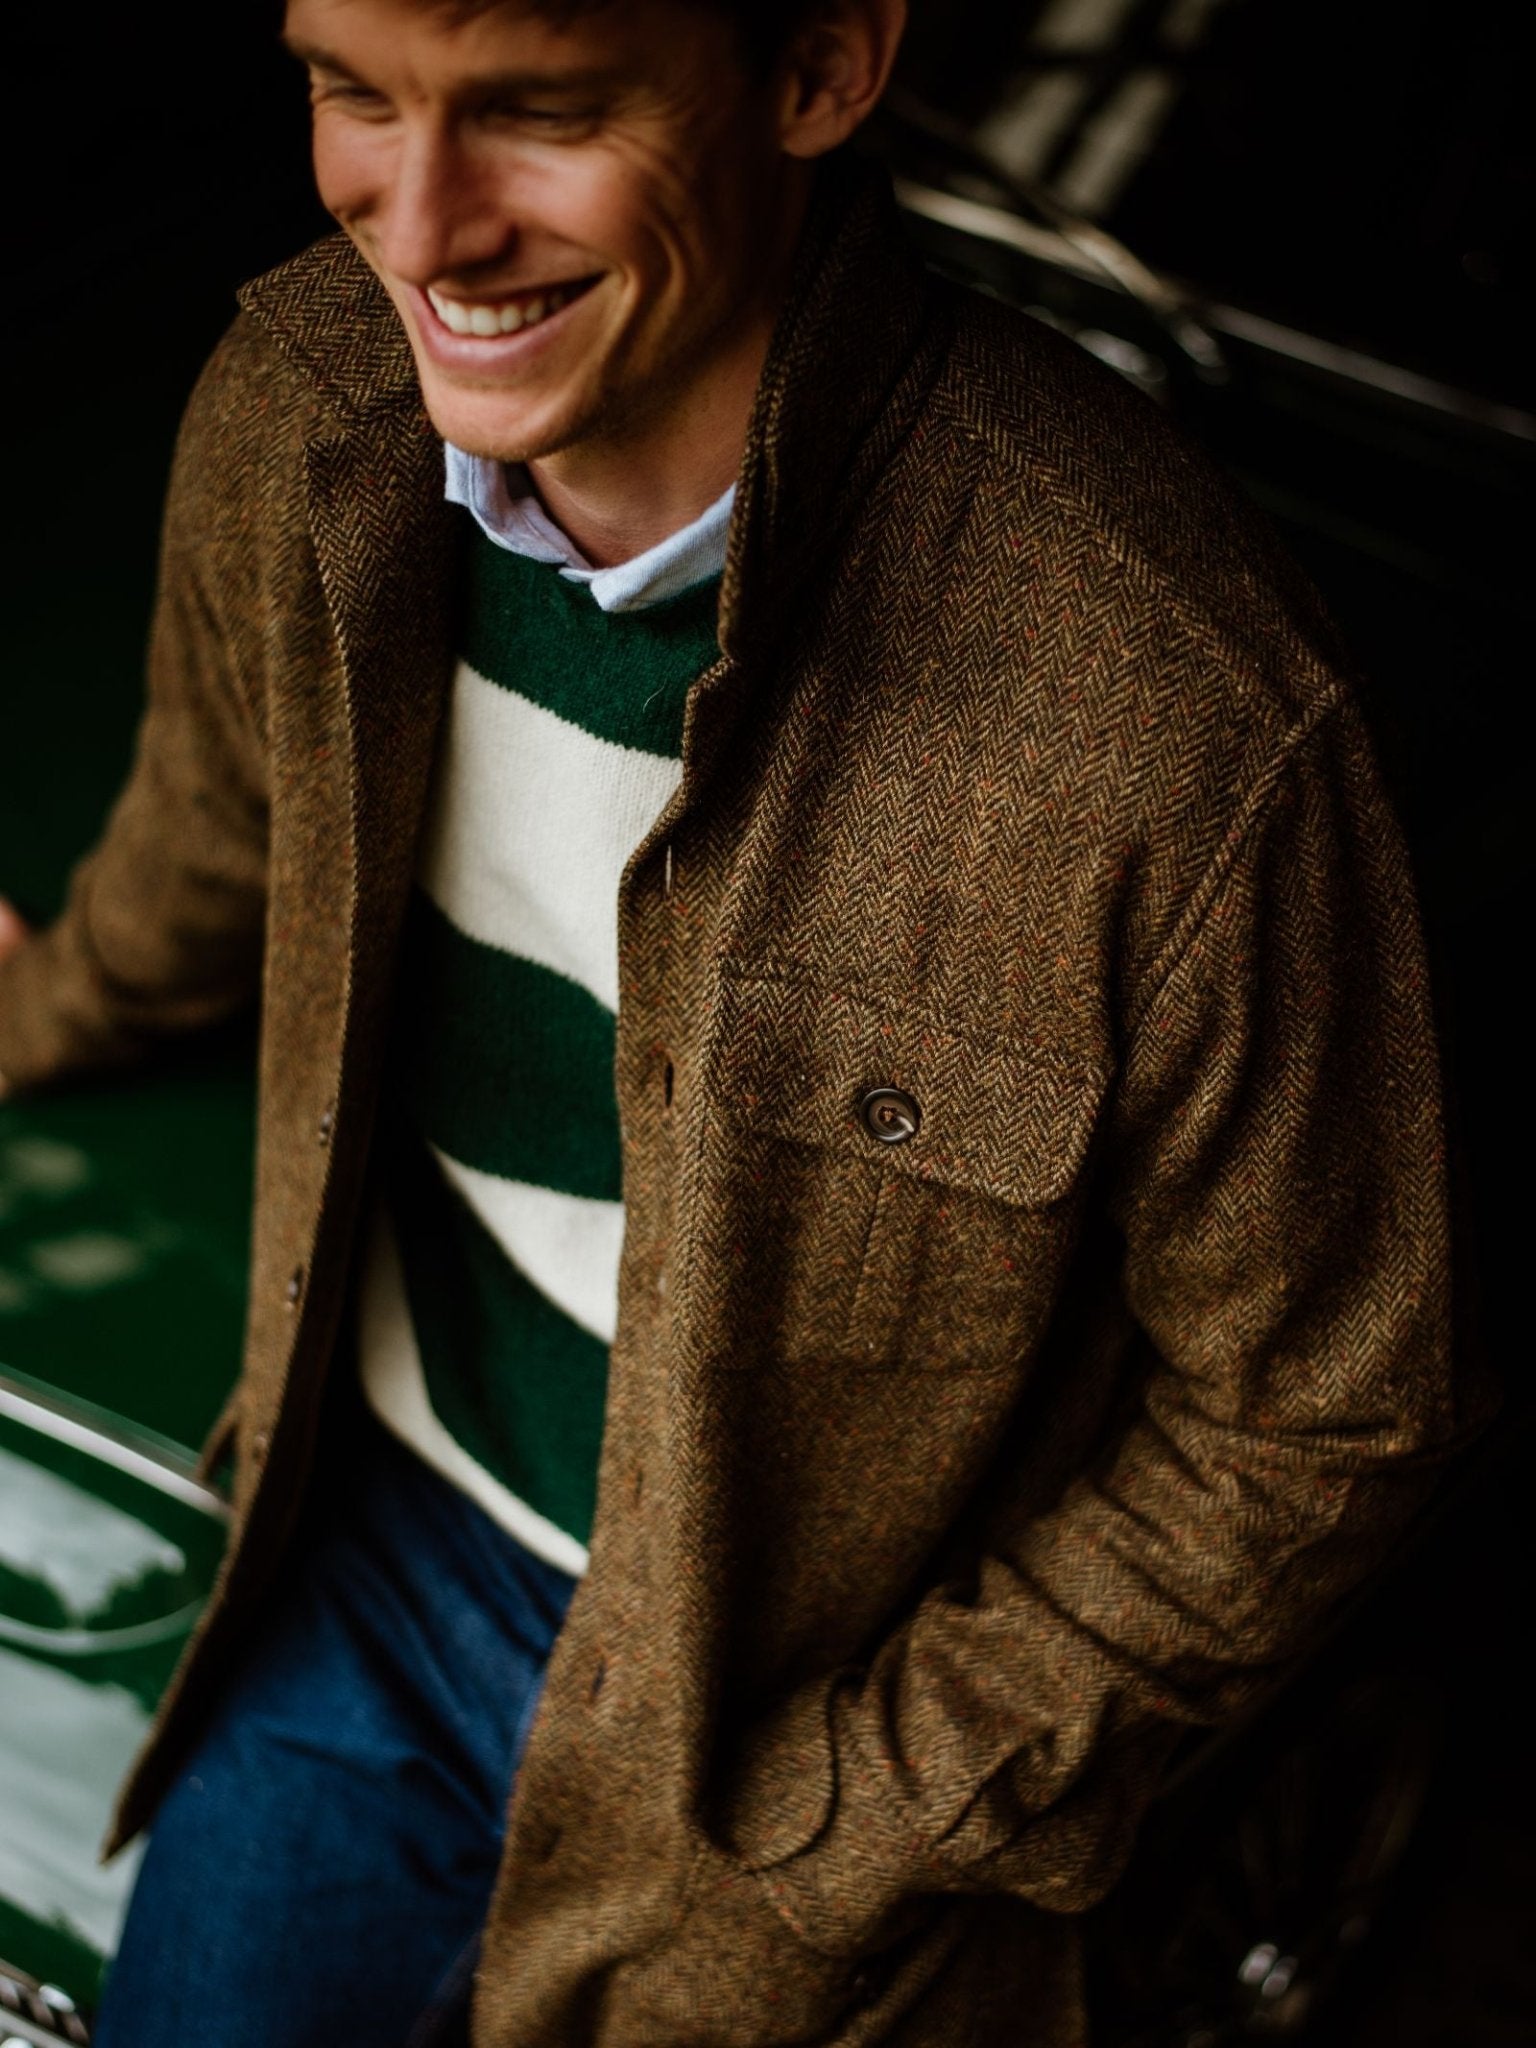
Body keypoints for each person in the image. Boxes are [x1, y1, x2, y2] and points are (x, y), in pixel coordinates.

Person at [0, 0, 1479, 2042]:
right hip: (374, 1576)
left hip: (784, 1734)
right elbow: (218, 834)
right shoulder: (296, 410)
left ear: (819, 67)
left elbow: (1331, 1406)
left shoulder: (1176, 714)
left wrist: (883, 1799)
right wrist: (45, 1001)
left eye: (537, 111)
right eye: (353, 93)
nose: (416, 223)